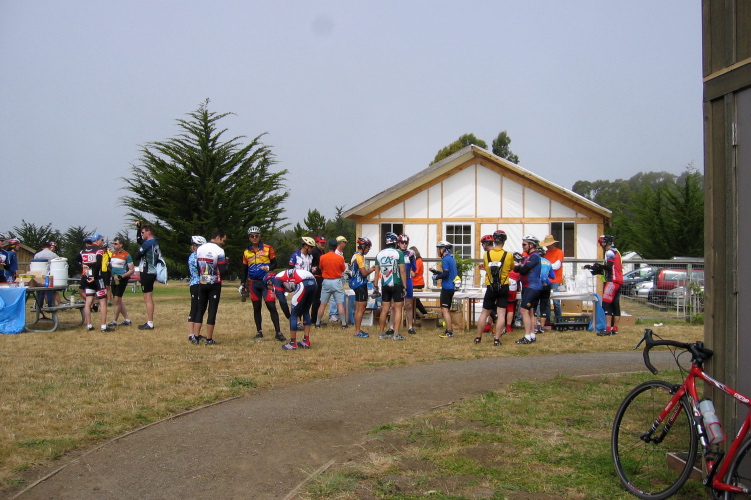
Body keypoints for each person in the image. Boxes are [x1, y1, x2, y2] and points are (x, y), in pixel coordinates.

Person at [241, 226, 286, 342]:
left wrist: (269, 267)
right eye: (252, 236)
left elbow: (275, 264)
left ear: (260, 237)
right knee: (256, 307)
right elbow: (244, 269)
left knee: (271, 306)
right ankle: (259, 331)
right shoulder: (246, 252)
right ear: (249, 238)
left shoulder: (268, 248)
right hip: (253, 283)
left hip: (266, 282)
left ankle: (278, 332)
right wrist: (242, 283)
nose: (254, 238)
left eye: (256, 236)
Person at [474, 230, 514, 346]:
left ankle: (478, 337)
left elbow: (487, 267)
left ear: (494, 240)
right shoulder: (509, 255)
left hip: (490, 286)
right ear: (504, 241)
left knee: (484, 313)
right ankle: (497, 339)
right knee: (501, 314)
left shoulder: (486, 255)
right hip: (503, 286)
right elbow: (511, 268)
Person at [193, 230, 228, 345]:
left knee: (200, 309)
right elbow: (222, 270)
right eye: (223, 240)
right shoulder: (219, 250)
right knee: (212, 311)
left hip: (202, 282)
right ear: (218, 237)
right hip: (214, 283)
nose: (223, 243)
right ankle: (209, 339)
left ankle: (196, 336)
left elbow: (198, 267)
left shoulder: (200, 248)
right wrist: (227, 263)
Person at [584, 234, 623, 336]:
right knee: (615, 305)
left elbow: (609, 267)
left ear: (605, 243)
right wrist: (595, 268)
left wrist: (598, 266)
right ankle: (615, 328)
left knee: (606, 304)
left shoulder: (609, 252)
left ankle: (608, 329)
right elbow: (610, 269)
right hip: (618, 280)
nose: (601, 245)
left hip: (612, 281)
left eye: (601, 243)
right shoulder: (616, 251)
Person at [268, 268, 318, 350]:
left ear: (269, 282)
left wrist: (289, 316)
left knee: (294, 314)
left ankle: (292, 343)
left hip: (302, 282)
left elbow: (282, 301)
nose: (271, 290)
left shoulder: (276, 280)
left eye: (269, 288)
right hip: (313, 281)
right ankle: (306, 340)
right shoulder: (281, 276)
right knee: (305, 311)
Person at [373, 232, 407, 340]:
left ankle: (382, 333)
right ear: (396, 242)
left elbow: (376, 272)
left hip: (385, 284)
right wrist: (405, 286)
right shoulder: (398, 253)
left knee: (384, 309)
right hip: (396, 284)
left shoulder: (379, 254)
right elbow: (402, 270)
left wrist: (375, 286)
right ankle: (396, 333)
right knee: (398, 309)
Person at [76, 234, 112, 332]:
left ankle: (88, 325)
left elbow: (74, 260)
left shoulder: (83, 251)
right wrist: (95, 277)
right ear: (96, 241)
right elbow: (98, 264)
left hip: (87, 277)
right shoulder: (98, 250)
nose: (103, 241)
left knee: (88, 301)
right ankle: (103, 326)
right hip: (97, 278)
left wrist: (82, 265)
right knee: (103, 301)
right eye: (102, 240)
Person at [514, 235, 543, 344]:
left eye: (524, 244)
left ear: (531, 245)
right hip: (527, 286)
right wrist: (520, 267)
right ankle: (531, 335)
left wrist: (521, 267)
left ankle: (527, 336)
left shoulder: (534, 256)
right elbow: (517, 269)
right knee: (530, 312)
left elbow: (524, 269)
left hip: (532, 287)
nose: (522, 247)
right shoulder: (527, 257)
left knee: (523, 310)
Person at [315, 239, 347, 328]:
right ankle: (344, 323)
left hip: (326, 281)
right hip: (337, 280)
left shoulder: (323, 257)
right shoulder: (340, 258)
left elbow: (321, 267)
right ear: (336, 246)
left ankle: (317, 322)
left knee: (323, 303)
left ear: (328, 247)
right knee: (340, 303)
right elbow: (343, 269)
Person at [136, 222, 162, 330]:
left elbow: (137, 255)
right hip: (152, 271)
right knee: (148, 296)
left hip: (147, 271)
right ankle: (149, 321)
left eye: (143, 232)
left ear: (149, 232)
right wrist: (138, 228)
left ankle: (150, 322)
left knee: (147, 297)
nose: (141, 234)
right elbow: (139, 241)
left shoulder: (148, 243)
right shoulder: (154, 242)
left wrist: (141, 253)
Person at [348, 237, 376, 338]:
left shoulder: (355, 255)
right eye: (368, 248)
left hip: (356, 284)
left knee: (359, 308)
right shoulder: (359, 257)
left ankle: (357, 329)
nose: (368, 250)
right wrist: (372, 269)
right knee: (361, 308)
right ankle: (357, 331)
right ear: (363, 247)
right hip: (360, 284)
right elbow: (364, 273)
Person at [430, 240, 458, 338]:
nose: (438, 251)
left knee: (445, 309)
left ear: (443, 249)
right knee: (447, 309)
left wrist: (436, 277)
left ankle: (449, 331)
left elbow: (445, 274)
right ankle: (448, 329)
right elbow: (448, 273)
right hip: (452, 286)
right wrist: (435, 272)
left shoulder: (445, 259)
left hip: (447, 286)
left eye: (438, 249)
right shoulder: (451, 258)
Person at [289, 236, 315, 328]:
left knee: (305, 303)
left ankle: (304, 321)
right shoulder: (295, 256)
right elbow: (290, 270)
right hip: (298, 283)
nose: (312, 249)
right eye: (311, 247)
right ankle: (297, 321)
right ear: (305, 246)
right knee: (297, 302)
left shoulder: (310, 256)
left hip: (307, 283)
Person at [108, 237, 135, 327]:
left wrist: (121, 276)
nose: (113, 245)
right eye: (113, 243)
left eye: (115, 243)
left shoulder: (127, 255)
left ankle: (114, 320)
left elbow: (131, 270)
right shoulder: (113, 254)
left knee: (117, 299)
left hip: (122, 279)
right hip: (114, 278)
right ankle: (127, 319)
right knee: (118, 300)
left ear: (121, 245)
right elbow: (112, 267)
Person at [187, 235, 207, 344]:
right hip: (196, 284)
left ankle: (196, 333)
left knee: (200, 308)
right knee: (195, 308)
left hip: (201, 283)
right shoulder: (194, 257)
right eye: (195, 245)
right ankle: (191, 334)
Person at [540, 235, 564, 322]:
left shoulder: (559, 252)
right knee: (546, 301)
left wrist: (546, 266)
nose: (546, 246)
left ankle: (559, 320)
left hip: (556, 279)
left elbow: (557, 265)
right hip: (547, 279)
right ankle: (547, 320)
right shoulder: (546, 253)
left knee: (556, 301)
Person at [397, 234, 417, 334]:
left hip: (408, 280)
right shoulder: (396, 253)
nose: (404, 245)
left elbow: (415, 268)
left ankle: (410, 326)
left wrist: (412, 259)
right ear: (398, 243)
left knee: (409, 305)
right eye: (402, 243)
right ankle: (392, 326)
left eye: (406, 243)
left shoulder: (411, 253)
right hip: (398, 281)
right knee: (394, 305)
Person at [327, 235, 348, 322]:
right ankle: (333, 314)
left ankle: (336, 313)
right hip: (335, 276)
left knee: (339, 295)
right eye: (345, 242)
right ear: (341, 243)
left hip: (340, 276)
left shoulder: (341, 253)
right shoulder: (335, 253)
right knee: (334, 296)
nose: (346, 244)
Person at [33, 241, 60, 307]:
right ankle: (50, 305)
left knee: (40, 291)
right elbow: (58, 263)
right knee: (49, 291)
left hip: (39, 274)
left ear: (43, 247)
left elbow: (34, 264)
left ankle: (39, 305)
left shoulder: (37, 255)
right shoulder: (53, 255)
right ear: (49, 247)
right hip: (49, 274)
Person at [310, 236, 327, 327]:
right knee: (316, 299)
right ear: (317, 243)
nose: (323, 244)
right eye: (321, 242)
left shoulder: (322, 251)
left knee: (319, 299)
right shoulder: (314, 252)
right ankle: (314, 319)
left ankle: (316, 318)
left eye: (324, 242)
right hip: (316, 277)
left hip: (321, 276)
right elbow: (311, 264)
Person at [410, 246, 429, 318]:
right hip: (414, 282)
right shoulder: (416, 261)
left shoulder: (418, 261)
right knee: (413, 301)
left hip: (417, 283)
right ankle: (416, 315)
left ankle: (424, 313)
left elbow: (414, 274)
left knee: (416, 301)